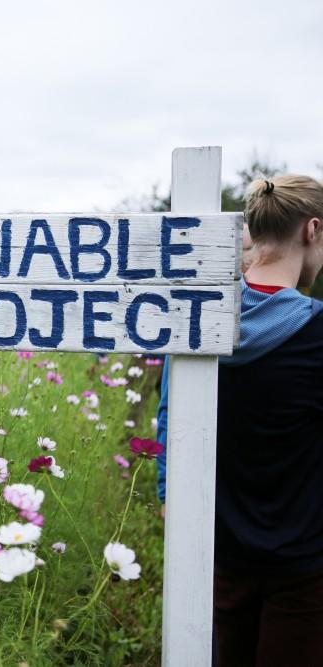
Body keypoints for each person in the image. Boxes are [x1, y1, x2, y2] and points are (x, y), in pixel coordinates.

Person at [156, 175, 323, 665]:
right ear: (312, 230)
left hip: (216, 552)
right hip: (302, 565)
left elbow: (170, 415)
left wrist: (170, 495)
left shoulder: (197, 319)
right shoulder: (316, 335)